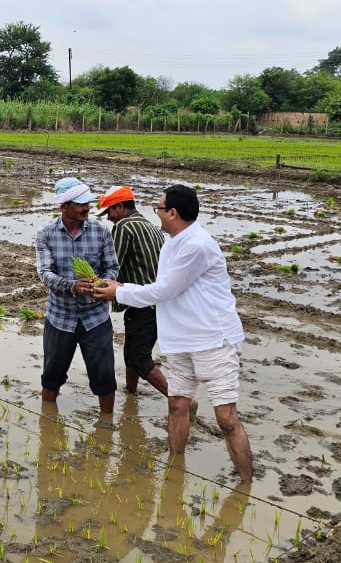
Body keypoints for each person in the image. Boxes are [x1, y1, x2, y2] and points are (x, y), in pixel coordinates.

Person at [93, 184, 252, 480]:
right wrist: (123, 287)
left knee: (226, 418)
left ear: (173, 213)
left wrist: (119, 293)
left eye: (160, 209)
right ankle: (175, 469)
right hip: (180, 341)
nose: (157, 214)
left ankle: (246, 485)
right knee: (177, 404)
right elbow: (161, 285)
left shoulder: (196, 245)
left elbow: (164, 290)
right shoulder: (172, 242)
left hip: (212, 340)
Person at [35, 177, 119, 415]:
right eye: (81, 204)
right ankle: (48, 423)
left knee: (104, 377)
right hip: (60, 319)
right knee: (51, 377)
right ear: (64, 207)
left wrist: (102, 286)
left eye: (88, 203)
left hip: (96, 319)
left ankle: (106, 426)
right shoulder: (46, 234)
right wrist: (71, 286)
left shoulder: (101, 232)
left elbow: (112, 267)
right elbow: (45, 273)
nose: (87, 208)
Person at [97, 185, 170, 397]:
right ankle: (131, 392)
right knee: (134, 351)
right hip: (160, 302)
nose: (109, 217)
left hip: (141, 303)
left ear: (120, 207)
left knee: (138, 357)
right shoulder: (151, 226)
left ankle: (179, 399)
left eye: (110, 211)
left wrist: (97, 284)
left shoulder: (123, 227)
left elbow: (113, 264)